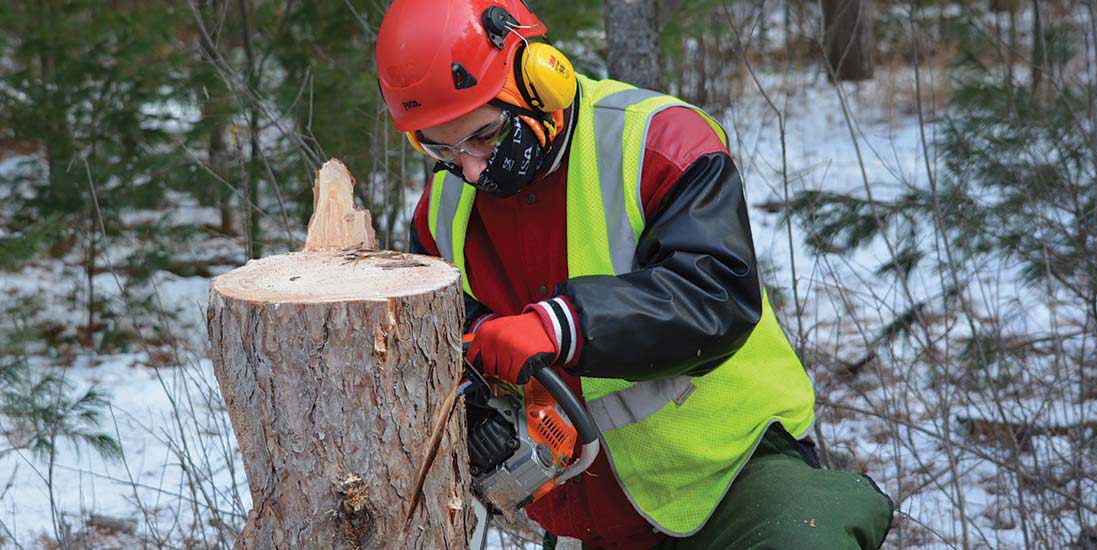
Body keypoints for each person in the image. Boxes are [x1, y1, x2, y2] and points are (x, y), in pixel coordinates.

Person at [375, 1, 894, 548]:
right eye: (443, 147)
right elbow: (445, 349)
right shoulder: (442, 210)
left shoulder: (658, 143)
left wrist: (562, 326)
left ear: (537, 79)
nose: (474, 168)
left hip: (733, 474)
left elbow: (715, 294)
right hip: (586, 515)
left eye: (486, 135)